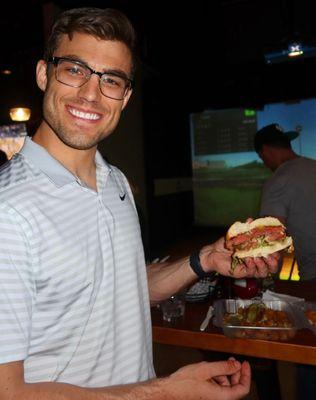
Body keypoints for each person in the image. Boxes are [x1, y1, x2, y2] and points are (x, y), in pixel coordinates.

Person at [0, 8, 280, 400]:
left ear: (126, 96)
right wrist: (163, 390)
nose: (91, 94)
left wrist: (205, 260)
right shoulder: (8, 212)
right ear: (44, 74)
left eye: (111, 79)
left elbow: (121, 289)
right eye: (75, 70)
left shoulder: (115, 182)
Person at [254, 122, 316, 400]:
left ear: (266, 151)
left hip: (309, 280)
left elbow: (272, 238)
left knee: (308, 349)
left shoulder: (278, 181)